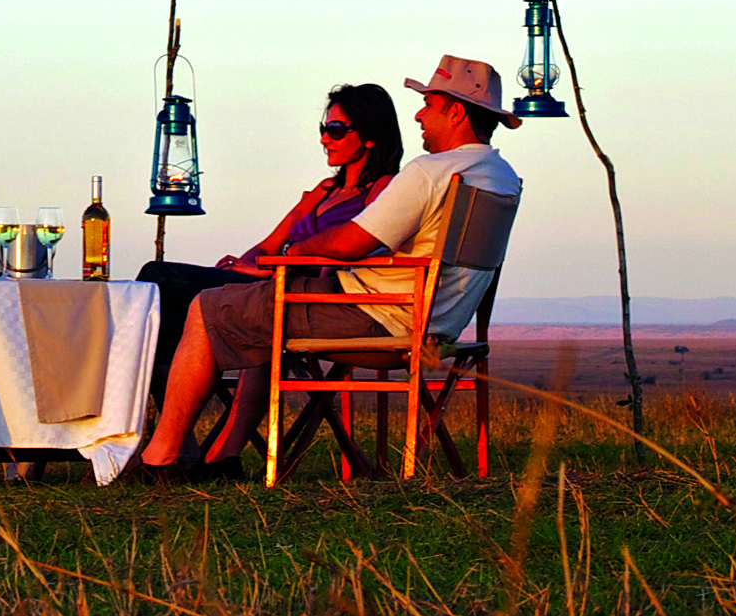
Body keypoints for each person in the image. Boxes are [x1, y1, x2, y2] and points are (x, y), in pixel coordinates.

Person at [129, 55, 521, 481]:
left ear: (456, 112)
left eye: (428, 104)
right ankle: (215, 457)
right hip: (434, 327)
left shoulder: (431, 172)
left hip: (374, 315)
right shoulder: (501, 177)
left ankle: (162, 459)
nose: (419, 115)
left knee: (207, 307)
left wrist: (294, 251)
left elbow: (350, 243)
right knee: (243, 306)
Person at [137, 83, 403, 403]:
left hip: (298, 293)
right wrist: (244, 265)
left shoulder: (382, 190)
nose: (324, 140)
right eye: (324, 129)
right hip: (266, 281)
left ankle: (168, 424)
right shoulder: (325, 190)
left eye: (335, 131)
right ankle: (175, 422)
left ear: (370, 135)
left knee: (159, 280)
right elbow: (269, 245)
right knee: (154, 303)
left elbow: (347, 255)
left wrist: (268, 269)